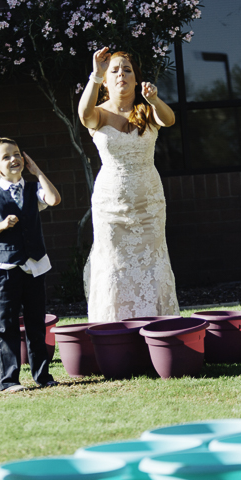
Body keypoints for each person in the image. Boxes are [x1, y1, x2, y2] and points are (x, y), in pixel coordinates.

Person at [77, 48, 180, 322]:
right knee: (114, 265)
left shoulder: (147, 110)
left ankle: (157, 326)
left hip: (149, 203)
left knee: (152, 262)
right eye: (115, 71)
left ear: (136, 79)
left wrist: (155, 100)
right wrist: (95, 75)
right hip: (111, 205)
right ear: (106, 83)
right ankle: (116, 328)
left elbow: (169, 120)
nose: (121, 74)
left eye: (127, 70)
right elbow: (82, 114)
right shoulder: (98, 114)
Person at [0, 138, 61, 392]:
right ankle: (9, 379)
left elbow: (54, 199)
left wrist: (37, 171)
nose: (14, 159)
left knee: (36, 322)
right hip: (7, 269)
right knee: (7, 324)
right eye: (6, 157)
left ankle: (42, 375)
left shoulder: (33, 189)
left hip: (35, 266)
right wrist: (2, 226)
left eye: (16, 154)